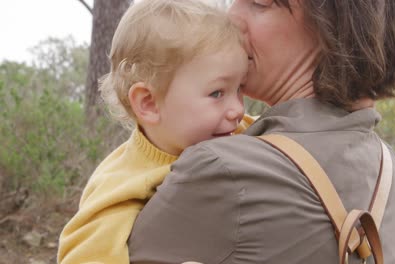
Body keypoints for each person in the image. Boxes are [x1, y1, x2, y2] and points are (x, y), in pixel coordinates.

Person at [128, 0, 395, 263]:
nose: (231, 17)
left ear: (335, 26)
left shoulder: (222, 169)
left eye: (260, 3)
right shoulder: (389, 167)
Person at [57, 0, 252, 263]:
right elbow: (83, 257)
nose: (237, 110)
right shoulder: (120, 184)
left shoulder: (241, 130)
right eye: (217, 93)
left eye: (239, 88)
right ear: (148, 103)